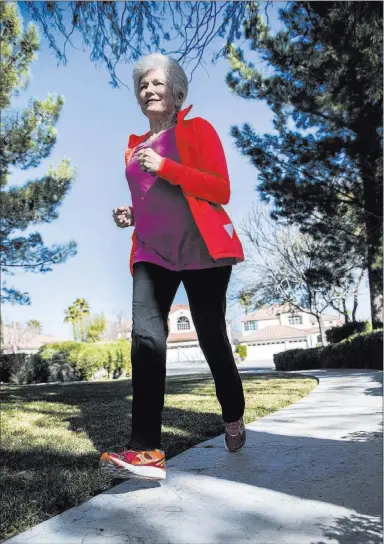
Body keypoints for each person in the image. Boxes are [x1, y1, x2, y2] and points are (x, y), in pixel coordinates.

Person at [99, 53, 246, 482]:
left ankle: (233, 414)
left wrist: (167, 167)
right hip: (151, 253)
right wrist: (132, 214)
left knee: (212, 337)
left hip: (202, 250)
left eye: (157, 83)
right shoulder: (134, 146)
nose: (148, 90)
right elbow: (152, 200)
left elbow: (220, 187)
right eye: (143, 85)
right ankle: (145, 449)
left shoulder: (198, 131)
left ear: (177, 91)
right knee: (146, 338)